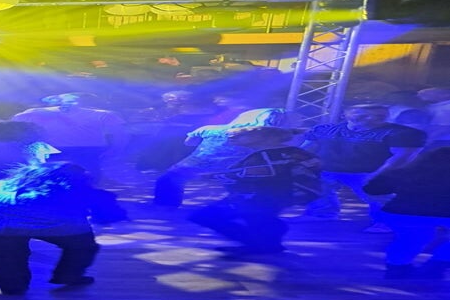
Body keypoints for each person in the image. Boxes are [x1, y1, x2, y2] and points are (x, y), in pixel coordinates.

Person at [0, 162, 126, 295]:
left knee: (5, 255)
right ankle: (68, 275)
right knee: (83, 246)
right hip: (60, 227)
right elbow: (106, 215)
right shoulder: (78, 189)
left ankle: (12, 287)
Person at [188, 127, 321, 257]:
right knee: (257, 218)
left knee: (205, 216)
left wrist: (215, 176)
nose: (233, 137)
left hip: (261, 196)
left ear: (263, 137)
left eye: (242, 135)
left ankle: (262, 240)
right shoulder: (293, 152)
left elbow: (254, 174)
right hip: (279, 195)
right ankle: (267, 242)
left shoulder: (266, 155)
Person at [298, 104, 427, 233]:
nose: (371, 118)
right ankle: (321, 214)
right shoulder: (324, 129)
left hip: (369, 171)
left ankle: (388, 222)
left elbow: (403, 156)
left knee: (379, 196)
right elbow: (306, 149)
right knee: (318, 189)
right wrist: (301, 166)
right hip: (327, 170)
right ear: (344, 114)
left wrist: (379, 174)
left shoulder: (400, 133)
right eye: (362, 114)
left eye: (379, 116)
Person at [153, 107, 290, 208]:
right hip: (236, 170)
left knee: (169, 178)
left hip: (196, 166)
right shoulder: (266, 137)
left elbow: (188, 143)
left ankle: (166, 206)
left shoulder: (210, 129)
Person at [362, 147, 450, 279]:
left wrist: (390, 168)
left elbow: (372, 189)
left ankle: (397, 267)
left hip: (403, 211)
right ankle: (438, 264)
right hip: (444, 212)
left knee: (411, 239)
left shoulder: (408, 172)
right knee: (417, 236)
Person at [10, 92, 127, 182]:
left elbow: (12, 127)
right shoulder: (103, 114)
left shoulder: (35, 112)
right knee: (86, 182)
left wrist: (24, 149)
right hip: (83, 151)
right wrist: (116, 151)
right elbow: (120, 136)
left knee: (53, 181)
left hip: (61, 151)